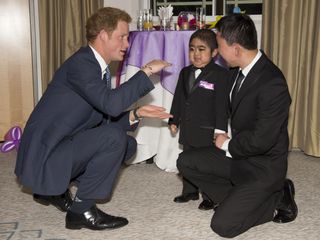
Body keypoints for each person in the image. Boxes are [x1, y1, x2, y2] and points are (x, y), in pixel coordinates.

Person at [15, 7, 172, 231]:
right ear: (103, 35)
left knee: (127, 144)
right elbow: (110, 104)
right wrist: (146, 71)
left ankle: (54, 190)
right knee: (114, 139)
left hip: (61, 142)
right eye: (122, 37)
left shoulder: (95, 66)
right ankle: (81, 211)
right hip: (45, 154)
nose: (127, 45)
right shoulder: (82, 64)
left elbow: (100, 119)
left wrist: (135, 114)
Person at [177, 14, 298, 238]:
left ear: (235, 48)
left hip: (262, 166)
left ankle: (276, 198)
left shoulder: (273, 84)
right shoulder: (234, 71)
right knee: (185, 161)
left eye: (219, 46)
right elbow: (219, 103)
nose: (218, 52)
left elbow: (262, 141)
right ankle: (237, 198)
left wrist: (227, 144)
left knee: (223, 226)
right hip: (238, 158)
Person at [168, 29, 229, 210]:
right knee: (187, 159)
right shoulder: (185, 72)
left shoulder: (220, 74)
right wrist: (174, 120)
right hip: (188, 127)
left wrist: (220, 130)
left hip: (208, 131)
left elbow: (221, 106)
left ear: (214, 52)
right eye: (192, 49)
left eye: (202, 49)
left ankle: (210, 195)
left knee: (206, 164)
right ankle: (190, 191)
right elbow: (179, 97)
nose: (196, 54)